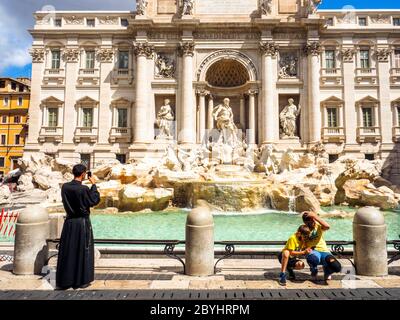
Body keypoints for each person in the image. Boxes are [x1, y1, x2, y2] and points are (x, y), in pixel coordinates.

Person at [56, 164, 100, 290]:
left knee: (68, 251)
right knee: (83, 250)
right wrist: (94, 185)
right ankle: (81, 280)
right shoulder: (83, 189)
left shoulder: (65, 187)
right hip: (82, 222)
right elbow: (93, 201)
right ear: (83, 174)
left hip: (69, 222)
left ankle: (65, 280)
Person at [302, 211, 342, 282]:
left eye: (313, 219)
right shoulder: (303, 229)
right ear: (305, 222)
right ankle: (314, 271)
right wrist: (304, 249)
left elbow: (327, 226)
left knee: (337, 267)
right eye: (310, 221)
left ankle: (327, 272)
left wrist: (315, 216)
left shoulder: (318, 226)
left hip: (324, 251)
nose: (313, 222)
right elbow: (299, 240)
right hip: (313, 252)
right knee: (313, 259)